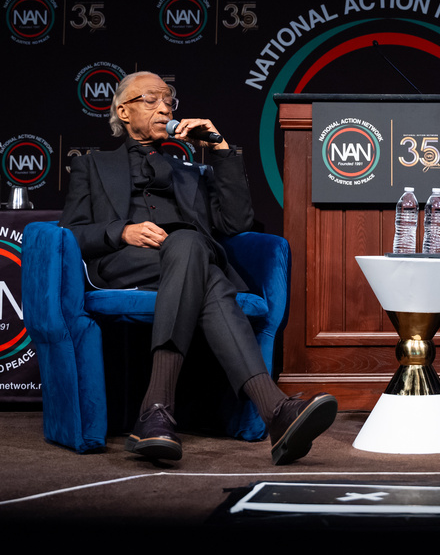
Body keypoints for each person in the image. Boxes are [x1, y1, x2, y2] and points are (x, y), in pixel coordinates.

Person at [60, 71, 337, 464]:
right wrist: (122, 230)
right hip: (129, 264)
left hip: (191, 263)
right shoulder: (92, 165)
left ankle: (157, 410)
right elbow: (70, 233)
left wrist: (220, 148)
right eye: (151, 100)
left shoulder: (191, 171)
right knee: (201, 263)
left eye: (169, 102)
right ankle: (274, 409)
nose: (164, 108)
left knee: (192, 251)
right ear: (123, 111)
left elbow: (236, 224)